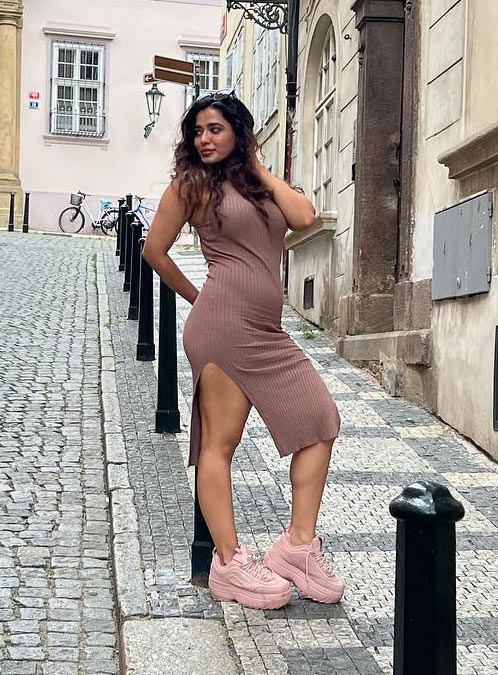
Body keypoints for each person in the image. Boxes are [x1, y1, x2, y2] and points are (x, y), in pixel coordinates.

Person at [143, 90, 344, 610]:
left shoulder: (260, 183)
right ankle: (229, 564)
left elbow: (305, 217)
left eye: (215, 129)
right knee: (220, 444)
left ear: (238, 132)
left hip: (268, 331)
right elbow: (154, 251)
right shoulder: (191, 185)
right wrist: (199, 298)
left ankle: (297, 547)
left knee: (320, 419)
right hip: (222, 330)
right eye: (197, 131)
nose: (203, 139)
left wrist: (255, 164)